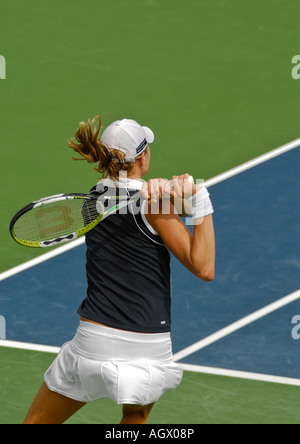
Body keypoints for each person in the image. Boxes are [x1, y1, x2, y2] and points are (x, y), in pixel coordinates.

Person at [23, 116, 215, 424]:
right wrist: (199, 200)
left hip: (93, 341)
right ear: (142, 157)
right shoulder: (155, 207)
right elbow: (204, 267)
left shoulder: (91, 199)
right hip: (147, 346)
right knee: (135, 416)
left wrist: (170, 194)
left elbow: (135, 201)